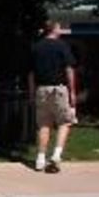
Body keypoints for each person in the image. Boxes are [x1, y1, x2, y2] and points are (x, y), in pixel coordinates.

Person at [28, 21, 77, 173]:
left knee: (43, 125)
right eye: (60, 27)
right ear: (55, 29)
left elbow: (30, 74)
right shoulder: (62, 46)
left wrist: (31, 93)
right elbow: (69, 69)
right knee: (65, 122)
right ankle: (56, 155)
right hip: (59, 88)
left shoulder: (36, 47)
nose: (61, 30)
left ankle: (40, 159)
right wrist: (72, 91)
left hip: (41, 89)